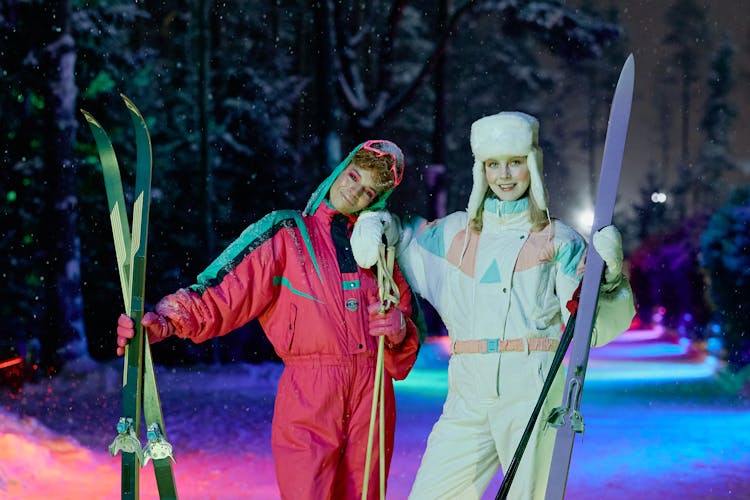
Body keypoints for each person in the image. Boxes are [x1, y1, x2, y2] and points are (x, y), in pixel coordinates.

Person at [115, 140, 423, 500]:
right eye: (353, 176)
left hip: (372, 401)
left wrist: (401, 331)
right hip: (310, 393)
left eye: (368, 190)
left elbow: (402, 353)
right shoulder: (287, 233)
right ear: (339, 170)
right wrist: (167, 321)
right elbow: (225, 289)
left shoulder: (381, 252)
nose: (354, 191)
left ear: (376, 201)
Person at [351, 112, 635, 499]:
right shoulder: (452, 234)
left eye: (515, 162)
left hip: (532, 388)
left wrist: (609, 280)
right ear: (480, 170)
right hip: (468, 391)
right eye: (493, 165)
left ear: (532, 164)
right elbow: (397, 244)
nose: (504, 175)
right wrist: (375, 225)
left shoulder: (560, 240)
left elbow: (588, 325)